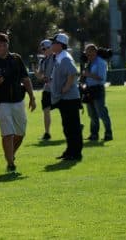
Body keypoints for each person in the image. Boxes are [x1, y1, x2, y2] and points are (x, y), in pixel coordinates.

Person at [0, 33, 37, 173]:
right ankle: (10, 163)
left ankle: (10, 154)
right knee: (7, 134)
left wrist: (32, 97)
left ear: (8, 44)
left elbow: (26, 79)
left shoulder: (16, 59)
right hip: (0, 102)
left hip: (18, 101)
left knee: (20, 133)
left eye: (4, 44)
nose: (1, 47)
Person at [49, 33, 82, 161]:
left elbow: (73, 72)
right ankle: (70, 151)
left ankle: (75, 153)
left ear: (60, 45)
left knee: (72, 126)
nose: (52, 45)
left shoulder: (65, 57)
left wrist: (67, 87)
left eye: (54, 43)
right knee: (67, 127)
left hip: (70, 98)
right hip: (64, 98)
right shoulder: (59, 56)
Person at [82, 44, 113, 142]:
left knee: (102, 112)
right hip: (89, 89)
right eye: (86, 54)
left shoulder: (101, 62)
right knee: (92, 114)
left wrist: (88, 74)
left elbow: (102, 78)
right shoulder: (90, 63)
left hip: (98, 89)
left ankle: (108, 133)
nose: (87, 55)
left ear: (94, 52)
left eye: (89, 53)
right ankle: (94, 134)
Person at [35, 39, 55, 141]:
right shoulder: (42, 60)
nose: (44, 50)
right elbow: (40, 76)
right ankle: (47, 133)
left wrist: (51, 78)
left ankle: (76, 125)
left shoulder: (57, 58)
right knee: (46, 110)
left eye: (46, 48)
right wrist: (36, 72)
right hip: (47, 89)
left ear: (51, 47)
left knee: (66, 110)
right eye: (43, 49)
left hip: (58, 89)